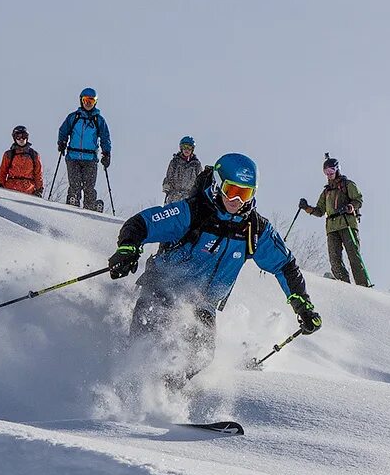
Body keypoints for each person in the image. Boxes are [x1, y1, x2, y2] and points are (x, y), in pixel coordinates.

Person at [108, 152, 322, 388]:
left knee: (201, 356)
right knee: (148, 347)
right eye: (232, 191)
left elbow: (285, 265)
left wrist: (302, 305)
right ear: (218, 185)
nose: (237, 201)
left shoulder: (254, 229)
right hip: (161, 293)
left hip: (203, 305)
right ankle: (126, 396)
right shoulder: (192, 213)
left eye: (245, 193)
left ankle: (165, 402)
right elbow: (142, 224)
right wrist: (128, 248)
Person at [299, 155, 372, 287]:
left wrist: (350, 207)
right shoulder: (326, 192)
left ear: (337, 169)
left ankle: (363, 286)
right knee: (334, 258)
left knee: (353, 255)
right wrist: (307, 208)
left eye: (331, 171)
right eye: (326, 172)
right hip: (332, 228)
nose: (329, 174)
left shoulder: (347, 185)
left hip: (347, 223)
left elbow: (358, 199)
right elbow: (320, 211)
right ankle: (343, 284)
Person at [57, 87, 111, 211]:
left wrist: (106, 153)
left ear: (95, 102)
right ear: (81, 101)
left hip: (90, 158)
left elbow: (105, 137)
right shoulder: (73, 117)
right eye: (86, 100)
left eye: (91, 101)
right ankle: (73, 201)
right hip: (73, 157)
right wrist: (62, 142)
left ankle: (90, 206)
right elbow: (63, 130)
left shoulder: (99, 120)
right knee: (74, 184)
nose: (88, 103)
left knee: (89, 186)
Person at [0, 126, 44, 196]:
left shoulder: (34, 155)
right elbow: (3, 171)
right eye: (18, 136)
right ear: (14, 138)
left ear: (27, 137)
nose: (21, 139)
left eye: (24, 136)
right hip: (11, 189)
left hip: (28, 190)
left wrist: (39, 188)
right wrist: (0, 184)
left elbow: (38, 173)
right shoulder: (9, 154)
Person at [162, 136, 202, 203]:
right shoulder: (175, 162)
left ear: (192, 149)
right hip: (174, 195)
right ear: (181, 148)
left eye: (189, 147)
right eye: (185, 147)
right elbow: (169, 176)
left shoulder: (196, 164)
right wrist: (167, 186)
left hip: (189, 196)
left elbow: (200, 180)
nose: (187, 150)